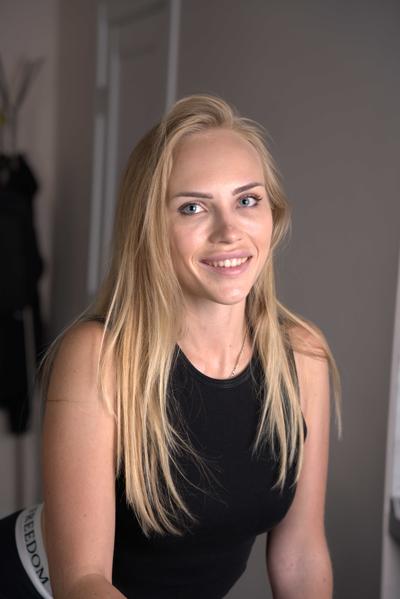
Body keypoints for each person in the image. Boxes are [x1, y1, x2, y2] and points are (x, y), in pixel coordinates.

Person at [0, 93, 342, 599]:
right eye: (192, 208)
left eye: (247, 200)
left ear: (273, 214)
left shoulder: (303, 356)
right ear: (150, 230)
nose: (229, 232)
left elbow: (301, 552)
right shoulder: (99, 356)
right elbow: (83, 581)